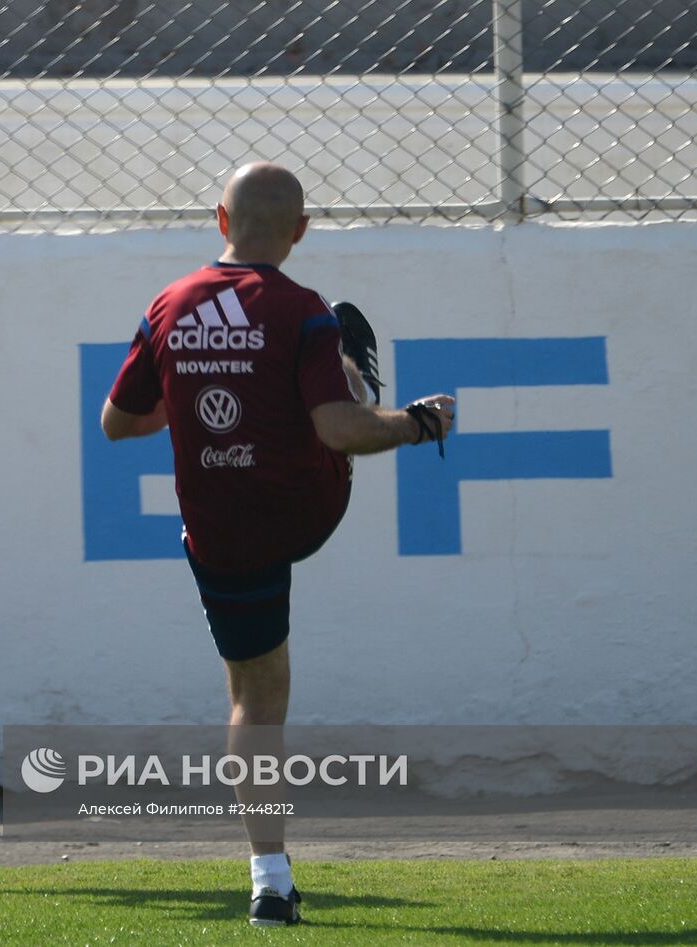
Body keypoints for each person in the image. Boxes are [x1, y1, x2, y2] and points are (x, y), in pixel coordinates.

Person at [100, 161, 454, 927]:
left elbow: (118, 421)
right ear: (298, 231)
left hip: (220, 528)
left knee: (252, 697)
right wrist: (420, 422)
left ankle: (269, 876)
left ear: (220, 222)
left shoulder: (168, 304)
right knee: (344, 417)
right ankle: (360, 377)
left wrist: (191, 388)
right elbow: (338, 433)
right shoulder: (303, 309)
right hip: (304, 508)